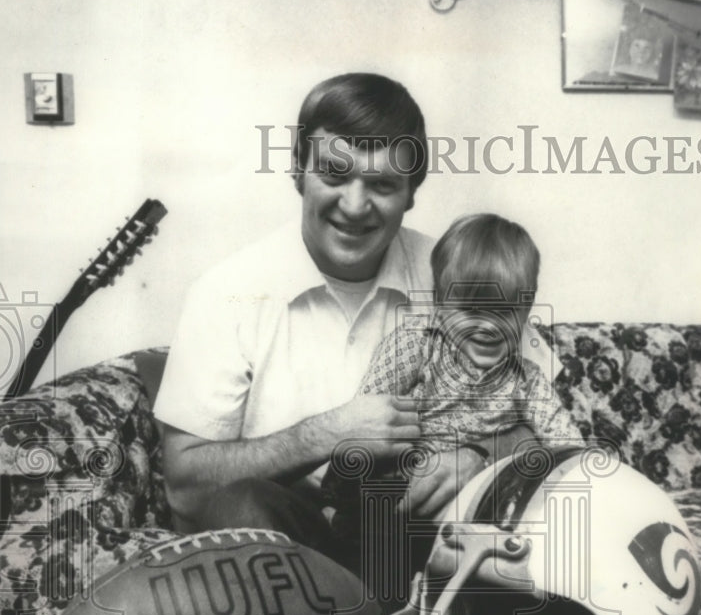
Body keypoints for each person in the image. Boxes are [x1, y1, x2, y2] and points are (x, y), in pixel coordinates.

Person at [154, 72, 489, 561]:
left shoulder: (456, 277)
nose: (354, 206)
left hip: (427, 545)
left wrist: (479, 454)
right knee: (242, 506)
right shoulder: (224, 291)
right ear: (297, 172)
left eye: (382, 184)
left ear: (412, 192)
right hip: (292, 564)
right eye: (334, 175)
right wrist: (327, 433)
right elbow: (185, 489)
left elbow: (545, 420)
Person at [323, 212, 584, 552]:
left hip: (472, 501)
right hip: (403, 477)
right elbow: (366, 414)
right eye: (472, 310)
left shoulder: (527, 381)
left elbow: (568, 444)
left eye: (504, 313)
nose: (488, 327)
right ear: (441, 305)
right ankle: (339, 526)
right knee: (365, 469)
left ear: (526, 310)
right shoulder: (416, 343)